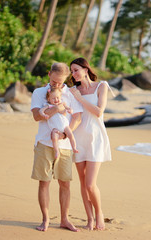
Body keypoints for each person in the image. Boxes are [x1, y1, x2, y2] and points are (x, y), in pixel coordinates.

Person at [30, 62, 83, 232]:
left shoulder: (71, 94)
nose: (57, 85)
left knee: (65, 184)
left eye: (60, 82)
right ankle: (45, 219)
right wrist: (57, 108)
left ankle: (64, 220)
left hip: (65, 145)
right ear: (49, 75)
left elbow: (77, 118)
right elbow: (37, 116)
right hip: (44, 144)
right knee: (44, 183)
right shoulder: (39, 92)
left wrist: (65, 134)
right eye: (54, 82)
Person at [69, 57, 112, 230]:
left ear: (86, 69)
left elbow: (98, 111)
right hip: (79, 139)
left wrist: (80, 98)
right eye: (71, 71)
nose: (73, 74)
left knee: (90, 183)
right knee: (82, 182)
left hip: (96, 138)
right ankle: (89, 219)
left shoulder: (101, 86)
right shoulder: (73, 90)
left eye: (76, 70)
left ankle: (99, 213)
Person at [39, 86, 79, 160]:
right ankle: (56, 151)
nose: (56, 100)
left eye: (58, 97)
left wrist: (70, 110)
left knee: (70, 135)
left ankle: (74, 147)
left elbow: (69, 108)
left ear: (60, 97)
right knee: (54, 138)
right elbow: (41, 111)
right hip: (55, 128)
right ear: (49, 99)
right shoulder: (49, 106)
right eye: (53, 98)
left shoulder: (62, 104)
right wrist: (43, 114)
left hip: (65, 125)